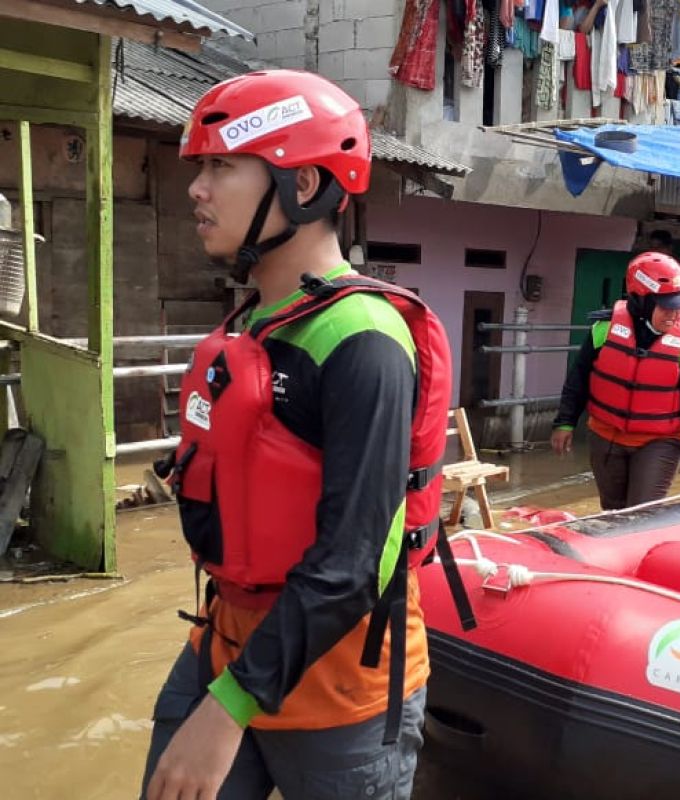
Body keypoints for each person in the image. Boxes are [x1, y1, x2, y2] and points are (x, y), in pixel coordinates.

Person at [142, 70, 458, 799]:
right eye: (200, 168)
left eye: (221, 166)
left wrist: (227, 711)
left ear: (306, 187)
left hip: (340, 691)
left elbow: (351, 564)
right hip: (226, 646)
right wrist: (221, 690)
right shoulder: (254, 323)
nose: (196, 188)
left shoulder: (365, 343)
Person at [550, 252, 680, 510]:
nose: (674, 314)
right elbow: (578, 379)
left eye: (678, 306)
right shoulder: (604, 331)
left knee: (642, 513)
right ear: (641, 301)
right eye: (666, 306)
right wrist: (565, 423)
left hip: (658, 442)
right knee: (612, 512)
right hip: (606, 436)